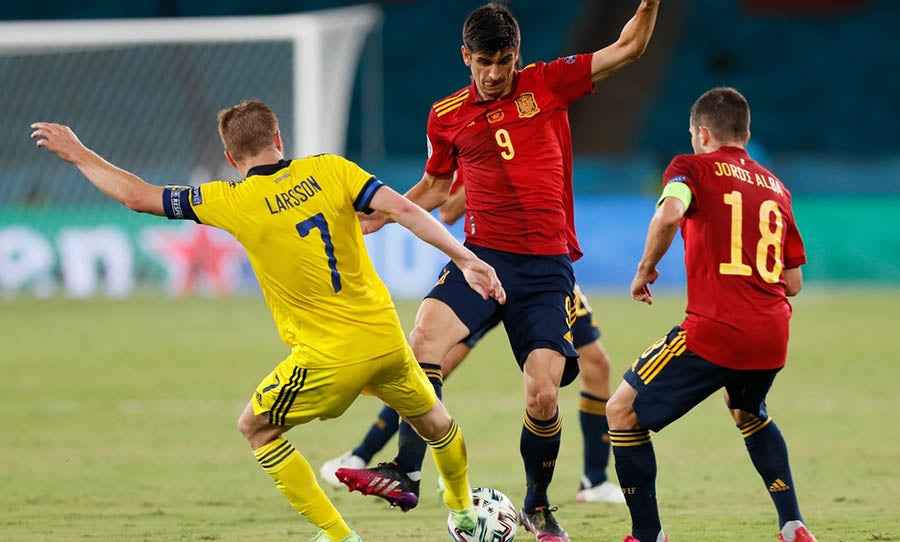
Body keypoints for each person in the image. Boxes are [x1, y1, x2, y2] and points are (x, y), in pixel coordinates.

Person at [30, 99, 507, 542]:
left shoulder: (230, 199)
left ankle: (339, 536)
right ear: (278, 138)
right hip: (386, 341)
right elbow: (404, 209)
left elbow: (137, 196)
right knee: (437, 424)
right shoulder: (330, 168)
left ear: (228, 153)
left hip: (328, 358)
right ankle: (463, 513)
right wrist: (466, 260)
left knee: (256, 428)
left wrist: (80, 154)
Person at [335, 3, 660, 541]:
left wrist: (648, 4)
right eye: (484, 62)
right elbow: (437, 190)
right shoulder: (446, 115)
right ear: (466, 56)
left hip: (546, 269)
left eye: (504, 61)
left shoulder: (548, 83)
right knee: (423, 340)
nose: (494, 73)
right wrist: (382, 215)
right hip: (481, 258)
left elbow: (627, 48)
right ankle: (406, 469)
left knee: (543, 395)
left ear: (517, 56)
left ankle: (536, 504)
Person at [321, 176, 625, 505]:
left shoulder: (531, 135)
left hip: (542, 267)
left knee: (596, 363)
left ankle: (594, 480)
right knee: (432, 363)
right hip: (486, 266)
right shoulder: (473, 146)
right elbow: (448, 211)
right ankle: (366, 453)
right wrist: (486, 180)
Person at [605, 87, 816, 542]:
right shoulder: (777, 187)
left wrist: (645, 269)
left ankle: (646, 535)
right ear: (746, 132)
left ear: (702, 133)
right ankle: (793, 524)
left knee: (621, 409)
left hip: (715, 330)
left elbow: (668, 215)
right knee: (748, 412)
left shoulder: (690, 167)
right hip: (771, 335)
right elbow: (794, 282)